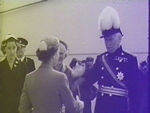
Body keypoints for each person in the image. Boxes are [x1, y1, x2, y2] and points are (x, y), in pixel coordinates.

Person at [83, 6, 141, 113]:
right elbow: (89, 80)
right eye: (105, 40)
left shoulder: (130, 59)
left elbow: (135, 92)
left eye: (110, 39)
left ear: (119, 38)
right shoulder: (101, 59)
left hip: (119, 107)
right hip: (101, 107)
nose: (107, 43)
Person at [18, 37, 84, 113]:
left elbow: (22, 109)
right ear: (54, 55)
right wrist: (80, 104)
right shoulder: (60, 77)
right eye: (58, 53)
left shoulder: (29, 77)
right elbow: (72, 107)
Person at [0, 35, 26, 113]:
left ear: (17, 48)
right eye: (9, 48)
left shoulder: (23, 66)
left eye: (14, 48)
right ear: (4, 49)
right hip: (3, 105)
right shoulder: (0, 66)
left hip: (18, 105)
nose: (11, 51)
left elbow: (24, 87)